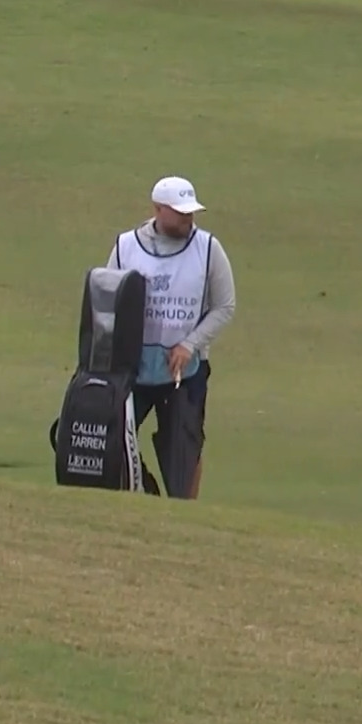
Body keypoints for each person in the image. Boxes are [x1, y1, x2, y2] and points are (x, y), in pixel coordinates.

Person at [106, 176, 236, 499]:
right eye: (179, 213)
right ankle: (142, 489)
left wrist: (190, 345)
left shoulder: (208, 249)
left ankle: (183, 513)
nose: (187, 219)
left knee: (185, 448)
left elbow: (225, 306)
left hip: (185, 371)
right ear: (158, 209)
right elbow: (108, 299)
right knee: (113, 438)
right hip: (133, 368)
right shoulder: (126, 247)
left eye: (190, 212)